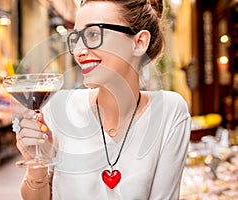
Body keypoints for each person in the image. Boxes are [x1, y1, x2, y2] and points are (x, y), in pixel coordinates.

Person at [13, 0, 191, 199]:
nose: (78, 51)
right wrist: (38, 166)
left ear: (139, 42)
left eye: (93, 34)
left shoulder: (169, 111)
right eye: (76, 38)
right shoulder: (57, 108)